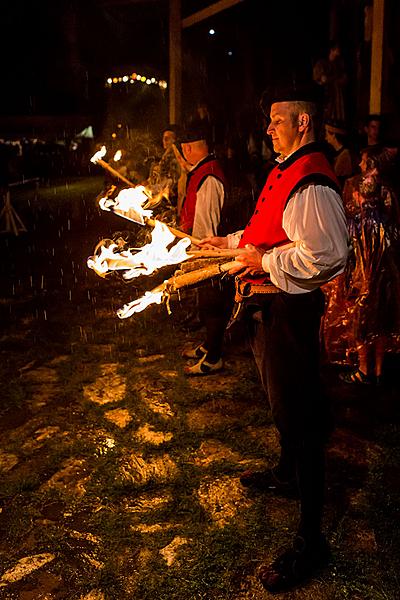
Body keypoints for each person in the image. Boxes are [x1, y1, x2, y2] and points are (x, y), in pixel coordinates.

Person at [199, 82, 349, 592]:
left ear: (302, 122)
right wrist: (230, 242)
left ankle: (311, 539)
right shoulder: (286, 170)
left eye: (276, 120)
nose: (267, 129)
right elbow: (273, 230)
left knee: (301, 415)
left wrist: (262, 261)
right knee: (280, 403)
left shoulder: (312, 180)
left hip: (292, 309)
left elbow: (327, 255)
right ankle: (287, 473)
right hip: (270, 305)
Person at [336, 146, 400, 384]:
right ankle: (379, 368)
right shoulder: (388, 191)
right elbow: (393, 225)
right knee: (379, 314)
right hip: (385, 264)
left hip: (366, 263)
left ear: (372, 163)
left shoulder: (358, 188)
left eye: (364, 161)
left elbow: (351, 224)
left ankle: (364, 368)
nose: (360, 165)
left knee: (361, 313)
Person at [178, 125, 234, 375]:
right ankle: (208, 345)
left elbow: (207, 222)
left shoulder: (208, 176)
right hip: (201, 247)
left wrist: (199, 250)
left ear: (188, 148)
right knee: (205, 301)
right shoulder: (201, 171)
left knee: (213, 302)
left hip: (210, 250)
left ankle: (214, 357)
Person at [313, 41, 348, 123]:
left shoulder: (339, 65)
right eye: (337, 49)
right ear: (332, 50)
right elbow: (321, 79)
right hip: (326, 97)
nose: (339, 51)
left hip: (337, 98)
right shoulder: (322, 64)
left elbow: (344, 79)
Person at [324, 119, 354, 188]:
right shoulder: (336, 153)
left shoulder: (345, 155)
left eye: (327, 134)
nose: (326, 137)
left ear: (333, 135)